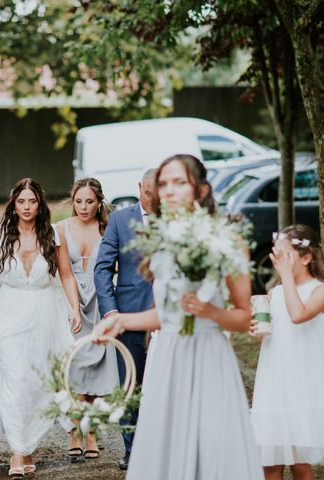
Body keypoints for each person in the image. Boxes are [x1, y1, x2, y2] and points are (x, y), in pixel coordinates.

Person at [94, 155, 263, 479]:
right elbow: (167, 315)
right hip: (167, 356)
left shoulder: (228, 240)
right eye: (163, 183)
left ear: (201, 190)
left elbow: (243, 318)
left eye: (179, 182)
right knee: (166, 450)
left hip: (208, 357)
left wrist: (211, 312)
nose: (168, 190)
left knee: (210, 446)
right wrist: (121, 321)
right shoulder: (161, 241)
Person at [0, 178, 82, 477]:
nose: (27, 207)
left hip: (45, 313)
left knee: (38, 381)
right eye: (22, 202)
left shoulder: (54, 234)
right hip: (10, 313)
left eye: (32, 202)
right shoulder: (0, 236)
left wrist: (75, 307)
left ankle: (27, 447)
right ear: (13, 204)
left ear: (39, 204)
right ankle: (18, 452)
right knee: (14, 380)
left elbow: (67, 276)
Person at [93, 168, 156, 469]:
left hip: (169, 319)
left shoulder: (179, 221)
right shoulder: (119, 220)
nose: (153, 198)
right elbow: (102, 268)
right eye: (148, 192)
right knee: (131, 385)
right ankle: (133, 450)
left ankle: (164, 446)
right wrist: (111, 311)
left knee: (163, 385)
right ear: (139, 187)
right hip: (128, 313)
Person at [250, 224, 324, 480]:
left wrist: (286, 278)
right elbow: (274, 339)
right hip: (272, 383)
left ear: (306, 257)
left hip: (300, 387)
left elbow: (298, 315)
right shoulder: (276, 292)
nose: (278, 260)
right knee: (269, 465)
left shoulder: (319, 290)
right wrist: (259, 331)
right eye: (276, 254)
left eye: (285, 254)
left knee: (300, 465)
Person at [56, 178, 119, 460]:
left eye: (89, 201)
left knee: (97, 364)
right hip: (72, 299)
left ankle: (91, 429)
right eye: (79, 201)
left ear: (99, 202)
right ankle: (74, 429)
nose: (83, 207)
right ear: (72, 201)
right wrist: (73, 306)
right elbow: (64, 272)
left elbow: (116, 266)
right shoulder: (62, 228)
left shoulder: (108, 227)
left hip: (101, 297)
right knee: (73, 365)